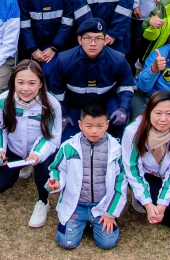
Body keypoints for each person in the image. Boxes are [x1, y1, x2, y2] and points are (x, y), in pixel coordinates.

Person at [0, 59, 63, 229]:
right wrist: (0, 150)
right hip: (14, 149)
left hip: (40, 151)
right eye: (20, 82)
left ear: (41, 84)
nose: (25, 88)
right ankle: (23, 166)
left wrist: (36, 154)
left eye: (32, 83)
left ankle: (43, 202)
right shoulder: (3, 100)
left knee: (42, 169)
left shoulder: (51, 105)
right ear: (13, 82)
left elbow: (51, 136)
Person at [46, 100, 126, 251]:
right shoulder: (68, 147)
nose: (94, 131)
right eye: (89, 126)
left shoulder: (116, 150)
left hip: (102, 206)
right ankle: (79, 222)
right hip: (76, 205)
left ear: (107, 125)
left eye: (99, 126)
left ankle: (96, 221)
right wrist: (57, 182)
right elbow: (56, 168)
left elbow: (120, 183)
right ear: (80, 125)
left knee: (107, 243)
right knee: (67, 243)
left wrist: (110, 213)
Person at [44, 19, 135, 134]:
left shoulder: (118, 59)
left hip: (105, 101)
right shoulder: (64, 60)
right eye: (87, 38)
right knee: (66, 133)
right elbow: (56, 89)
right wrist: (63, 113)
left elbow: (127, 85)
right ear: (79, 40)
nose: (93, 43)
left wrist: (123, 108)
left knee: (118, 124)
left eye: (98, 38)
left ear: (105, 40)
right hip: (75, 103)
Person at [122, 90, 170, 229]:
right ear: (149, 112)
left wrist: (162, 204)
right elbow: (133, 169)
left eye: (169, 113)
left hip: (166, 173)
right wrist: (148, 204)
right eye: (158, 113)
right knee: (155, 207)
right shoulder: (133, 131)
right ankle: (140, 197)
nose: (163, 119)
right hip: (145, 173)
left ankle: (158, 197)